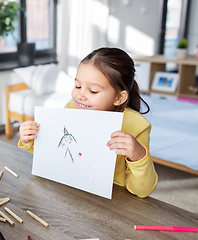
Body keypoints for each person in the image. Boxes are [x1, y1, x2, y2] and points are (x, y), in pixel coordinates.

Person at [18, 47, 158, 198]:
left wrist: (138, 155)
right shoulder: (70, 109)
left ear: (119, 98)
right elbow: (55, 155)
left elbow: (142, 191)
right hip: (70, 191)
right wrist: (30, 139)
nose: (79, 95)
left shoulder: (137, 126)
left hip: (112, 203)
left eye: (93, 91)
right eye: (77, 86)